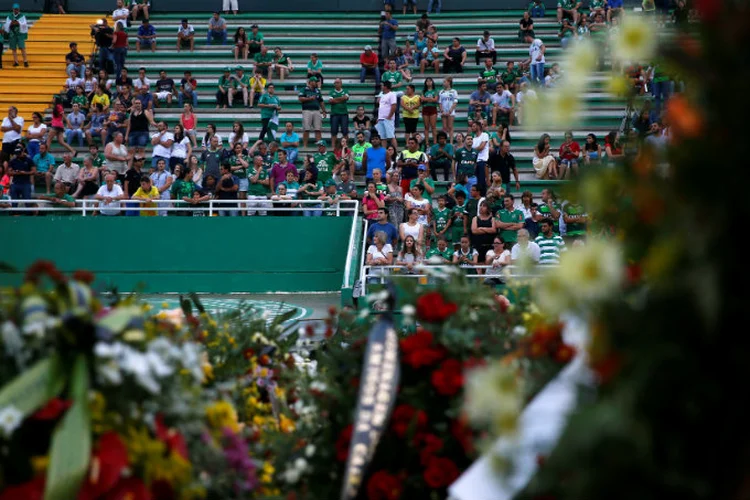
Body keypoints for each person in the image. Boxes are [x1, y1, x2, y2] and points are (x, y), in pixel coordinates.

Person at [298, 76, 326, 148]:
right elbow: (300, 98)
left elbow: (321, 101)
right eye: (315, 81)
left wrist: (324, 111)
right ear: (311, 82)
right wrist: (309, 98)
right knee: (306, 129)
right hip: (307, 110)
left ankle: (320, 146)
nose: (317, 83)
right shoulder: (304, 89)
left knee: (318, 129)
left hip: (316, 111)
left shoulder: (317, 91)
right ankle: (305, 146)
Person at [375, 81, 398, 150]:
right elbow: (381, 108)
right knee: (383, 137)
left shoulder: (392, 94)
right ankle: (384, 152)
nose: (381, 87)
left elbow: (394, 106)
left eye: (382, 85)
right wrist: (379, 118)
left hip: (388, 119)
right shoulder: (382, 95)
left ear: (385, 86)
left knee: (391, 136)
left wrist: (389, 117)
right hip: (381, 119)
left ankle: (395, 152)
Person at [439, 77, 459, 145]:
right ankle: (444, 142)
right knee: (444, 127)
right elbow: (440, 102)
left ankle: (451, 142)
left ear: (449, 82)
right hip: (443, 112)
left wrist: (450, 111)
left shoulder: (454, 91)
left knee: (450, 127)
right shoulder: (441, 91)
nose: (443, 83)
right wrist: (442, 111)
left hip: (451, 111)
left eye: (445, 82)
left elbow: (455, 102)